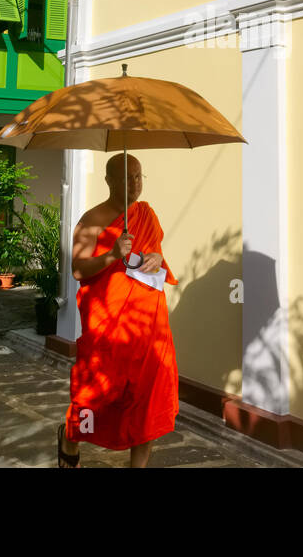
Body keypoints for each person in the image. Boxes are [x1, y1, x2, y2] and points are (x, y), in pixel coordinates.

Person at [58, 153, 178, 467]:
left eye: (139, 176)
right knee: (92, 395)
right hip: (107, 326)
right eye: (126, 177)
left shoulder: (146, 215)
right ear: (109, 180)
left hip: (146, 325)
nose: (135, 184)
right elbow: (79, 271)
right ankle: (70, 441)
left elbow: (155, 256)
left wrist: (154, 258)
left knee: (146, 400)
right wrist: (112, 254)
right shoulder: (92, 220)